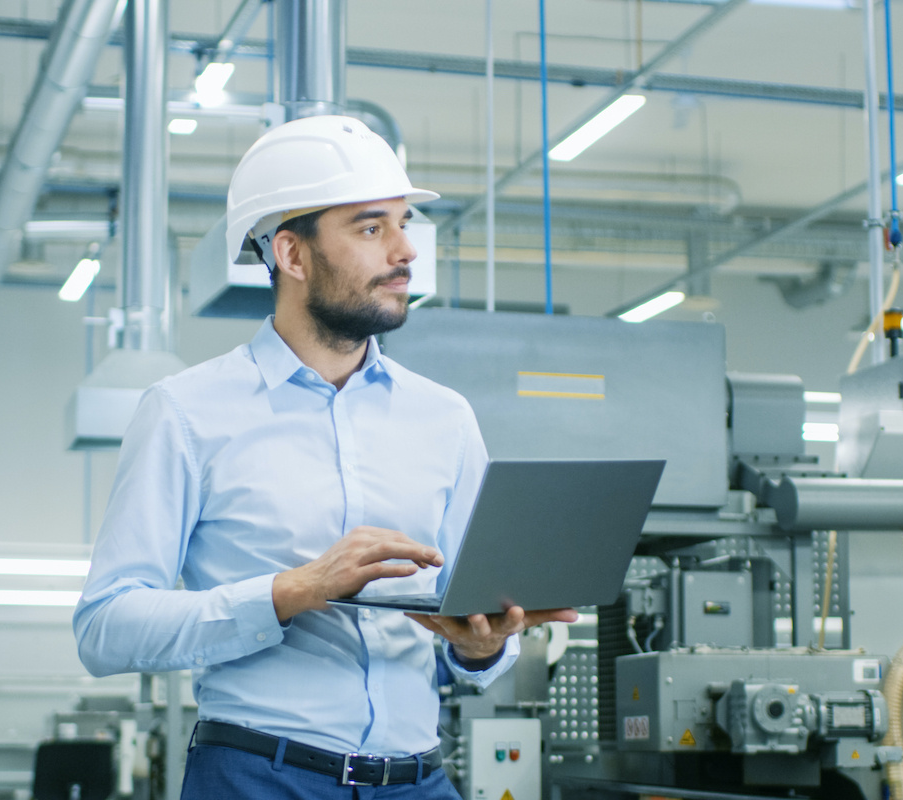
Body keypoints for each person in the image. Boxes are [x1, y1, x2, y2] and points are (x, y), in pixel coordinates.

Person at [73, 115, 577, 799]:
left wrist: (481, 646)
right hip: (257, 778)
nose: (405, 251)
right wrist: (291, 592)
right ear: (292, 254)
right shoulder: (187, 413)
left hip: (418, 780)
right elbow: (106, 627)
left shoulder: (445, 418)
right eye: (371, 228)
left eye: (404, 224)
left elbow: (475, 621)